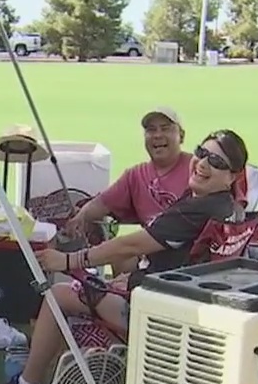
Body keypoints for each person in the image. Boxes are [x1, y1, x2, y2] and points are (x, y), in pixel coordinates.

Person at [0, 129, 250, 384]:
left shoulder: (199, 208)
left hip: (160, 316)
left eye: (216, 161)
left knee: (58, 295)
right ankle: (64, 371)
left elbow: (131, 244)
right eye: (202, 152)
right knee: (114, 269)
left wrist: (69, 261)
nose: (203, 163)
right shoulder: (230, 208)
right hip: (186, 308)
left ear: (232, 176)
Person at [63, 107, 193, 274]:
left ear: (181, 135)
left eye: (165, 128)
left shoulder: (197, 169)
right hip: (152, 255)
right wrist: (80, 218)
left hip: (189, 257)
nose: (157, 135)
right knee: (119, 255)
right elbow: (103, 203)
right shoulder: (136, 175)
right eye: (151, 130)